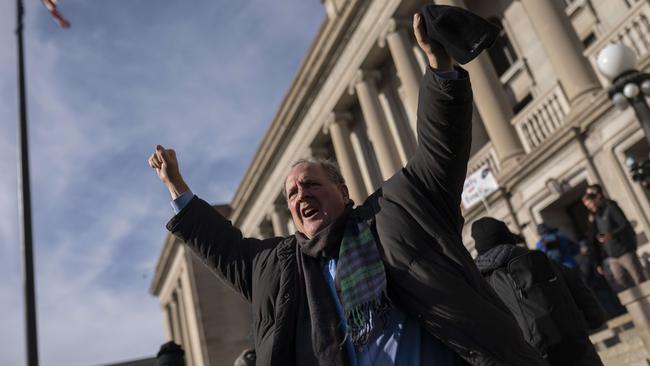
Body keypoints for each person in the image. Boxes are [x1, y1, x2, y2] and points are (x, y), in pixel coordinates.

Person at [148, 8, 546, 366]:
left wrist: (440, 67)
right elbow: (225, 248)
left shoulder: (396, 212)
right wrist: (178, 188)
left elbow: (439, 150)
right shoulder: (280, 269)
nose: (300, 195)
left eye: (310, 185)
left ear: (343, 192)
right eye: (291, 195)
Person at [472, 217, 605, 366]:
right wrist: (594, 320)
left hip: (529, 358)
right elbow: (580, 290)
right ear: (506, 235)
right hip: (576, 347)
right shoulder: (538, 258)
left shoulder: (478, 282)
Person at [582, 184, 645, 289]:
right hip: (612, 256)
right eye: (587, 206)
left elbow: (624, 225)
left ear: (596, 198)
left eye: (590, 204)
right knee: (620, 281)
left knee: (639, 279)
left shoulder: (611, 208)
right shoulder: (596, 216)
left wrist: (612, 235)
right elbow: (593, 239)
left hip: (625, 251)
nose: (590, 207)